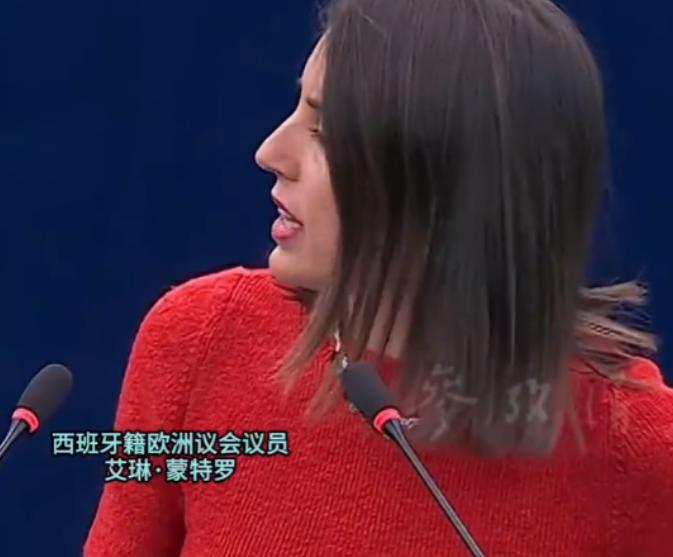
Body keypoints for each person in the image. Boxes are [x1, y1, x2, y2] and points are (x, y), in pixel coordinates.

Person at [83, 0, 673, 555]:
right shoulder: (198, 338)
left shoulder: (634, 444)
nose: (270, 152)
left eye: (324, 132)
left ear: (448, 183)